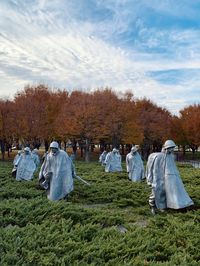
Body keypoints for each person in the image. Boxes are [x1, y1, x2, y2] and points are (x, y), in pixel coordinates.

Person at [146, 140, 194, 215]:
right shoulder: (158, 156)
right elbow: (153, 169)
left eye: (173, 148)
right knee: (156, 192)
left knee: (167, 193)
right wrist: (151, 179)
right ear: (166, 147)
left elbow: (172, 168)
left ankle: (164, 206)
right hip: (159, 177)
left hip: (170, 178)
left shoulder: (171, 156)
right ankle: (152, 206)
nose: (172, 149)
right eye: (171, 148)